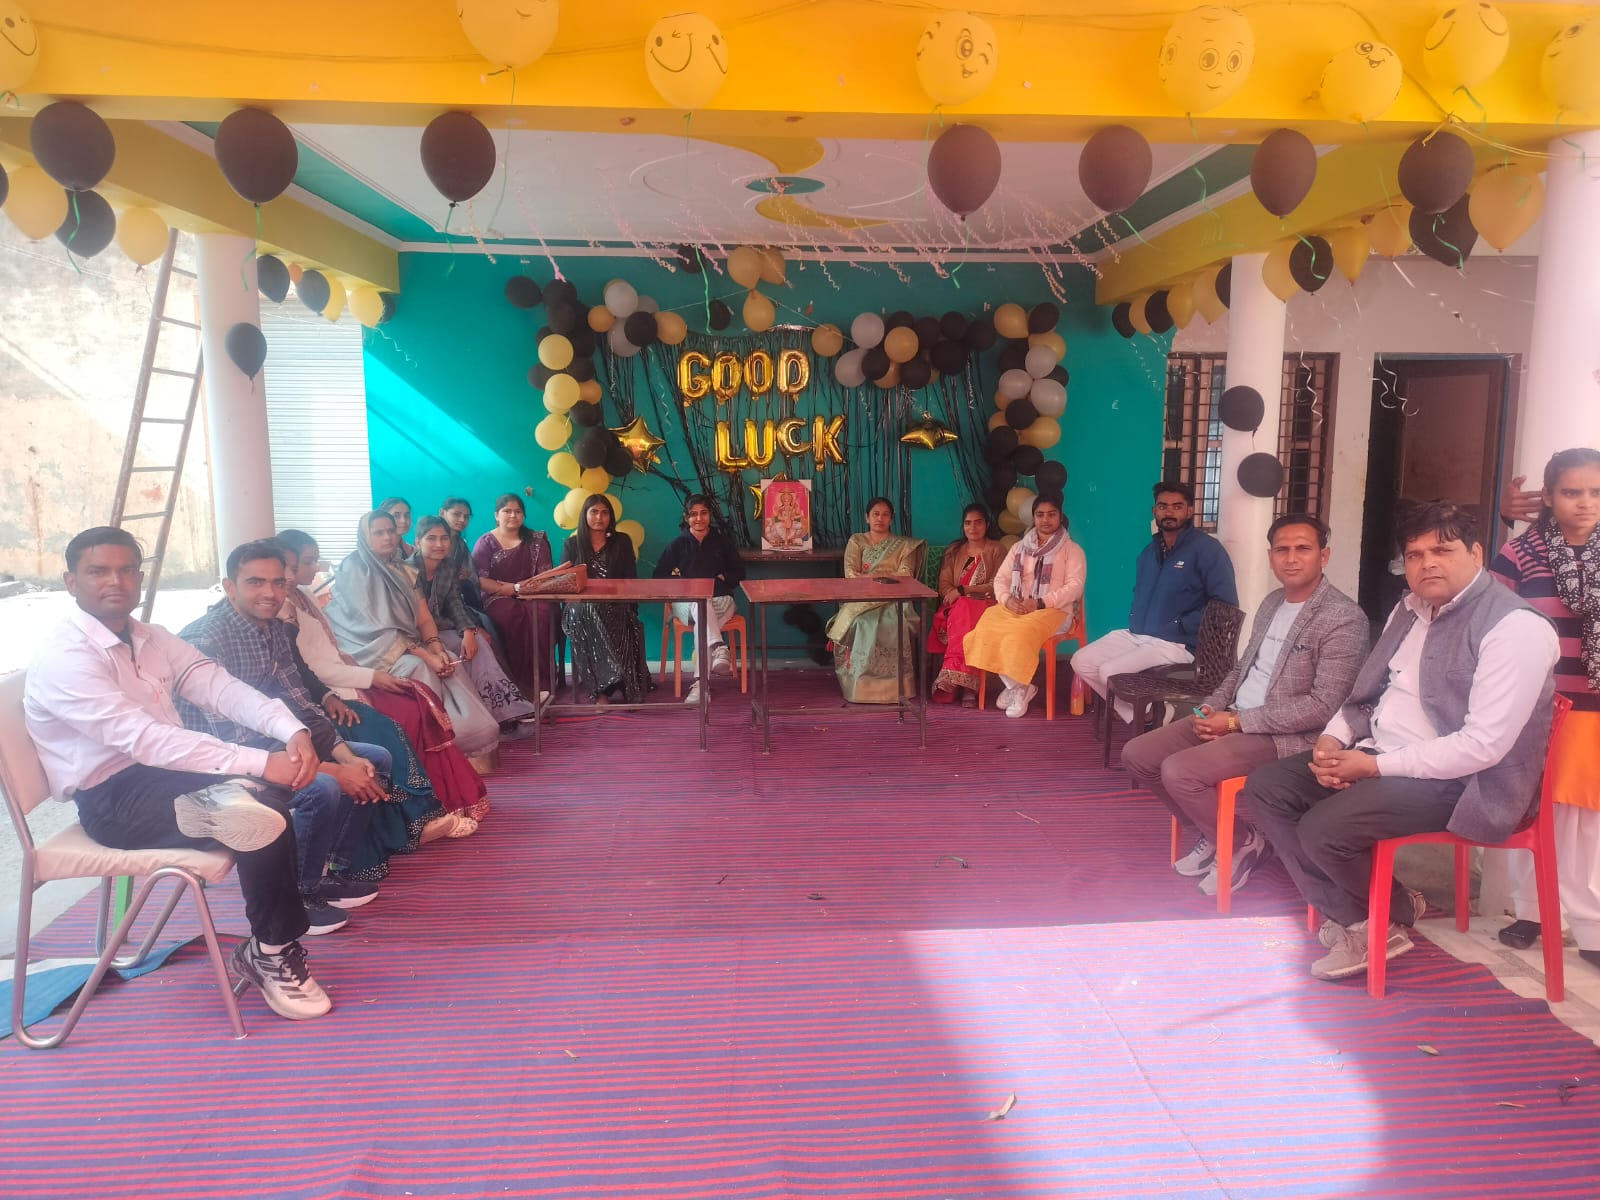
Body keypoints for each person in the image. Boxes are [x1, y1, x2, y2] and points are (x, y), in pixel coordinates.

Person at [23, 527, 331, 1021]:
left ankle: (268, 940)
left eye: (126, 570)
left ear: (140, 578)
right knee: (259, 811)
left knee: (263, 806)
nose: (115, 581)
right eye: (99, 571)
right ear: (71, 581)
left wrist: (289, 728)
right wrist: (259, 761)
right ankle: (271, 950)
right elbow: (145, 739)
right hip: (115, 802)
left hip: (165, 777)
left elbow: (218, 686)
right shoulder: (67, 657)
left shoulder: (150, 637)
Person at [1243, 501, 1559, 982]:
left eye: (1442, 551)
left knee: (1323, 828)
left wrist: (1372, 767)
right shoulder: (1408, 610)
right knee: (1269, 787)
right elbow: (1367, 692)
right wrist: (1332, 739)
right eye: (1415, 555)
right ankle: (1371, 917)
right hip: (1382, 754)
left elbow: (1483, 746)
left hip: (1466, 781)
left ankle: (1371, 921)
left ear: (1476, 554)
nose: (1427, 563)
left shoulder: (1515, 627)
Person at [1121, 514, 1368, 897]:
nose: (1291, 558)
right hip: (1232, 715)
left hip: (1286, 735)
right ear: (1270, 557)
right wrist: (1210, 707)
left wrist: (1236, 722)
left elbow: (1323, 705)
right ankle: (1221, 833)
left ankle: (1238, 843)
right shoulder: (1272, 603)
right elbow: (1241, 668)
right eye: (1282, 550)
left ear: (1324, 555)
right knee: (1138, 755)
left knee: (1180, 772)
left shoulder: (1344, 618)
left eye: (1303, 549)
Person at [178, 541, 390, 930]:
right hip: (218, 762)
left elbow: (299, 701)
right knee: (321, 788)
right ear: (229, 586)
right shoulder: (205, 640)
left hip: (270, 744)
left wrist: (343, 756)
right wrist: (331, 770)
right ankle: (297, 895)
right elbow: (232, 735)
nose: (270, 593)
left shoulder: (275, 629)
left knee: (374, 759)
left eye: (278, 583)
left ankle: (327, 871)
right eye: (255, 582)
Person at [276, 530, 487, 830]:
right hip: (336, 685)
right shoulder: (287, 607)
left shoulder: (306, 594)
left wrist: (428, 648)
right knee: (403, 716)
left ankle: (440, 801)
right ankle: (412, 818)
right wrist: (372, 676)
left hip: (352, 671)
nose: (314, 568)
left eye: (313, 560)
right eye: (307, 562)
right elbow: (313, 666)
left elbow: (332, 647)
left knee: (418, 698)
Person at [1488, 448, 1600, 969]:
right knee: (1536, 810)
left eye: (1595, 493)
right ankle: (1531, 912)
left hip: (1596, 711)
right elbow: (1492, 621)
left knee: (1587, 822)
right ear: (1549, 498)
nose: (1585, 503)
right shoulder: (1521, 553)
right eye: (1572, 492)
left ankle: (1592, 927)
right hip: (1538, 705)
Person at [326, 511, 501, 760]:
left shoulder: (403, 570)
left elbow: (424, 618)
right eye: (378, 532)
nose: (387, 537)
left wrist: (436, 647)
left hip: (404, 644)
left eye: (391, 531)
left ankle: (465, 733)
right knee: (421, 667)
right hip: (367, 650)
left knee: (449, 659)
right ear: (365, 536)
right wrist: (427, 656)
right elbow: (375, 627)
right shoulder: (356, 569)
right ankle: (434, 743)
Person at [1071, 481, 1238, 722]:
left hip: (1177, 644)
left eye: (1177, 506)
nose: (1169, 512)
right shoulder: (1149, 553)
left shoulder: (1207, 550)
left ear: (1190, 511)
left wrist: (1181, 625)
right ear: (1154, 511)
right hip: (1139, 634)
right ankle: (1147, 714)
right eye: (1163, 506)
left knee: (1109, 672)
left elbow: (1225, 606)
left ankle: (1143, 715)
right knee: (1082, 661)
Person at [963, 494, 1086, 719]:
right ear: (1033, 518)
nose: (1045, 520)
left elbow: (1075, 587)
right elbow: (1001, 579)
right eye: (1040, 515)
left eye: (1051, 514)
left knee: (1017, 634)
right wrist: (1008, 600)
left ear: (1060, 517)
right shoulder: (1019, 547)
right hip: (1018, 608)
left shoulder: (1072, 550)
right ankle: (1019, 687)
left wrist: (1040, 602)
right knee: (986, 626)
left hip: (1054, 612)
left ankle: (1016, 688)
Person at [410, 515, 536, 729]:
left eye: (444, 538)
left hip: (443, 628)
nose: (439, 544)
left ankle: (504, 710)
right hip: (414, 636)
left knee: (478, 645)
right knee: (461, 651)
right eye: (431, 538)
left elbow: (455, 603)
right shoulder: (406, 571)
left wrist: (468, 632)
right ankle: (481, 713)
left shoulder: (448, 567)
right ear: (418, 542)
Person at [826, 497, 928, 705]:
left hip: (896, 599)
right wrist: (880, 579)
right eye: (875, 514)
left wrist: (874, 577)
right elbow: (850, 573)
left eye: (885, 515)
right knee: (862, 622)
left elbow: (905, 575)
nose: (880, 519)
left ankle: (898, 688)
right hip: (863, 597)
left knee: (895, 624)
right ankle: (860, 686)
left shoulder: (905, 546)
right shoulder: (857, 541)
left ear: (891, 518)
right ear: (867, 517)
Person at [652, 493, 746, 706]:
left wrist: (725, 578)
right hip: (687, 605)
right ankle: (719, 647)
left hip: (721, 601)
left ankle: (700, 686)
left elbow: (739, 572)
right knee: (699, 602)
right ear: (687, 517)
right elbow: (659, 576)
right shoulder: (678, 544)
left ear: (710, 515)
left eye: (703, 513)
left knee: (702, 621)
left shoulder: (722, 542)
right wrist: (683, 583)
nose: (699, 518)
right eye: (693, 514)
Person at [560, 494, 652, 705]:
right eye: (593, 512)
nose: (599, 517)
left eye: (604, 513)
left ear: (610, 516)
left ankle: (610, 685)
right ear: (584, 515)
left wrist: (630, 606)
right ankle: (607, 689)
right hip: (580, 610)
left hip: (616, 605)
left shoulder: (622, 542)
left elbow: (630, 580)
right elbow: (565, 583)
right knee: (585, 611)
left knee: (616, 616)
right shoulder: (572, 545)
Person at [473, 492, 558, 697]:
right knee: (509, 613)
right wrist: (513, 589)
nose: (513, 515)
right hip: (497, 596)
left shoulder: (536, 540)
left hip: (534, 594)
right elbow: (480, 580)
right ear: (496, 515)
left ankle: (543, 680)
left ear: (524, 515)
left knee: (543, 612)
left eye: (518, 511)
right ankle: (515, 681)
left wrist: (528, 590)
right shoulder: (486, 542)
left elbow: (546, 576)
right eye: (507, 511)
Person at [927, 503, 1006, 706]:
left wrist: (964, 591)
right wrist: (957, 595)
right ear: (963, 526)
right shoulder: (954, 551)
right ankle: (969, 686)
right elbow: (944, 584)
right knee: (963, 607)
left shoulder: (997, 549)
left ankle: (957, 680)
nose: (973, 527)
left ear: (987, 525)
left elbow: (998, 585)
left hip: (987, 606)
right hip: (956, 606)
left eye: (978, 522)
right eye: (968, 523)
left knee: (967, 607)